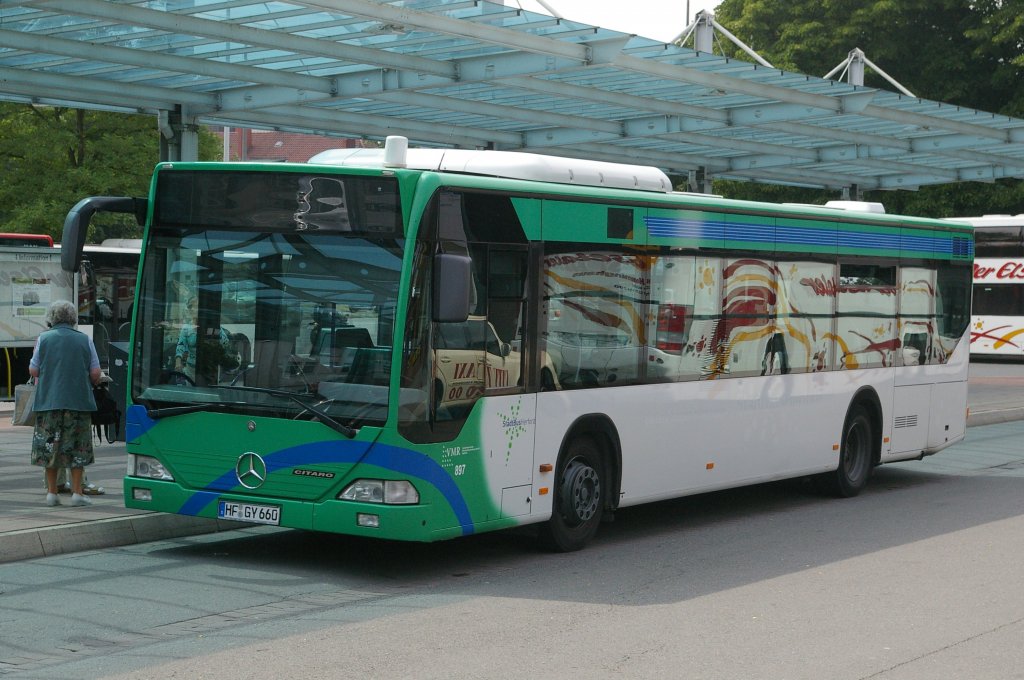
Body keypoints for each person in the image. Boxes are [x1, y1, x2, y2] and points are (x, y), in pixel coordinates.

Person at [29, 300, 103, 507]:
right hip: (78, 403)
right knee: (78, 448)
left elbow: (34, 370)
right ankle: (78, 493)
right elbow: (95, 373)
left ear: (52, 318)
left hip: (49, 403)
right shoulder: (84, 340)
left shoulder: (44, 338)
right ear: (73, 318)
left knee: (50, 446)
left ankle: (52, 493)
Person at [174, 296, 234, 380]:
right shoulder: (186, 328)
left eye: (194, 306)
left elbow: (225, 343)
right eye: (189, 306)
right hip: (191, 370)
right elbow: (180, 346)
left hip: (210, 370)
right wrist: (178, 363)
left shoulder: (211, 327)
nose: (191, 309)